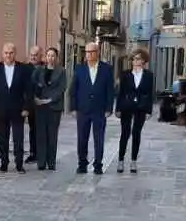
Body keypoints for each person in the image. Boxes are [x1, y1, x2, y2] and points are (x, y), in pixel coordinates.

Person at [0, 43, 33, 173]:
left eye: (11, 53)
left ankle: (19, 164)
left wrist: (26, 108)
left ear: (15, 53)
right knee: (3, 139)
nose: (8, 55)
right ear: (2, 54)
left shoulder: (23, 69)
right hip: (0, 109)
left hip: (18, 109)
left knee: (18, 139)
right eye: (6, 53)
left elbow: (28, 90)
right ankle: (4, 164)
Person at [71, 42, 115, 174]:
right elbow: (74, 89)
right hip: (83, 110)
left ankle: (98, 165)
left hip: (99, 110)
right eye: (87, 52)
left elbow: (110, 90)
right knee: (82, 138)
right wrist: (73, 107)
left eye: (92, 52)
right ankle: (82, 164)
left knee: (99, 139)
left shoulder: (106, 69)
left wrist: (109, 108)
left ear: (97, 53)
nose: (89, 55)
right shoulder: (79, 69)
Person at [115, 49, 155, 174]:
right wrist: (118, 108)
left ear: (144, 61)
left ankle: (133, 161)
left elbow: (150, 93)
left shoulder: (149, 75)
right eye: (133, 59)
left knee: (136, 133)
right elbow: (120, 92)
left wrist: (149, 110)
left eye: (138, 59)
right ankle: (121, 160)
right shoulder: (125, 74)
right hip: (127, 106)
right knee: (125, 133)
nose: (135, 61)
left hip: (141, 107)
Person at [33, 47, 66, 171]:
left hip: (54, 107)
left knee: (52, 135)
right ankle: (41, 162)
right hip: (40, 107)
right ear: (45, 57)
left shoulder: (61, 71)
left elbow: (62, 88)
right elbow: (32, 83)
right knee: (41, 135)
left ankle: (51, 162)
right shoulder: (39, 70)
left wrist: (49, 100)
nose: (50, 58)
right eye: (48, 55)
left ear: (56, 58)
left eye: (53, 56)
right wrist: (36, 97)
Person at [23, 46, 43, 166]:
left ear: (40, 55)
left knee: (42, 130)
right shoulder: (25, 68)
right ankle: (33, 153)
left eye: (36, 54)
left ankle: (42, 153)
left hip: (43, 104)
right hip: (30, 104)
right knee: (33, 129)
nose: (33, 57)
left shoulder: (45, 68)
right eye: (31, 54)